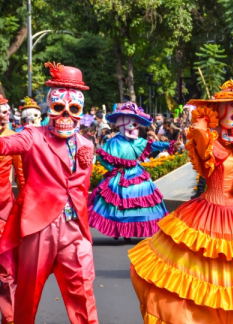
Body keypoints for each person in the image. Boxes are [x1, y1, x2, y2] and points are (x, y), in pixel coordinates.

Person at [129, 73, 233, 323]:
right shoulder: (211, 143)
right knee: (197, 277)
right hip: (208, 213)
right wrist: (204, 121)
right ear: (220, 116)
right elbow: (200, 140)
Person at [0, 62, 98, 323]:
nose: (66, 114)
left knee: (84, 291)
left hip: (74, 228)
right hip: (39, 227)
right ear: (49, 108)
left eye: (74, 109)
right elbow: (7, 144)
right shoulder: (33, 135)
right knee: (28, 296)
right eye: (58, 108)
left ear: (81, 111)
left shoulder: (87, 143)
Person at [88, 102, 176, 240]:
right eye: (133, 124)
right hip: (120, 176)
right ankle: (120, 229)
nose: (136, 128)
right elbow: (102, 156)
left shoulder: (138, 141)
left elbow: (153, 145)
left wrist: (169, 144)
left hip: (137, 174)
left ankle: (130, 229)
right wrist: (113, 169)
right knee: (118, 204)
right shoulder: (113, 142)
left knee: (140, 202)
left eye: (136, 124)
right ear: (123, 123)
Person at [0, 94, 25, 324]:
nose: (5, 114)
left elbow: (22, 178)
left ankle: (9, 319)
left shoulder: (13, 139)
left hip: (4, 212)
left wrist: (26, 213)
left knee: (6, 272)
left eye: (6, 109)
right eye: (1, 110)